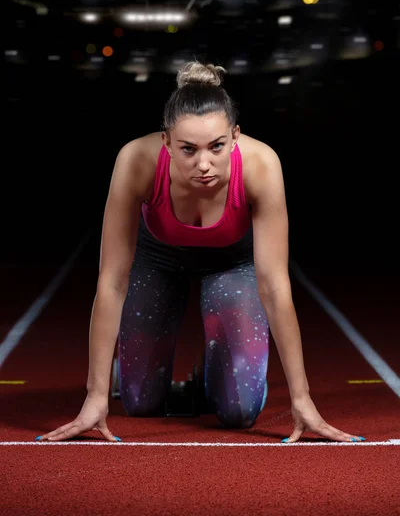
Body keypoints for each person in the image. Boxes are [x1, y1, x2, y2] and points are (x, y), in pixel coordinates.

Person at [37, 61, 365, 444]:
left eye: (217, 147)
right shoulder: (136, 160)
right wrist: (94, 397)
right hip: (157, 258)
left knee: (240, 412)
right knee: (140, 402)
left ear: (235, 136)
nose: (204, 164)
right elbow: (111, 282)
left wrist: (302, 399)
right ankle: (145, 379)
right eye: (188, 150)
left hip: (231, 261)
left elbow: (275, 286)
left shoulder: (261, 165)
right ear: (166, 142)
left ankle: (214, 372)